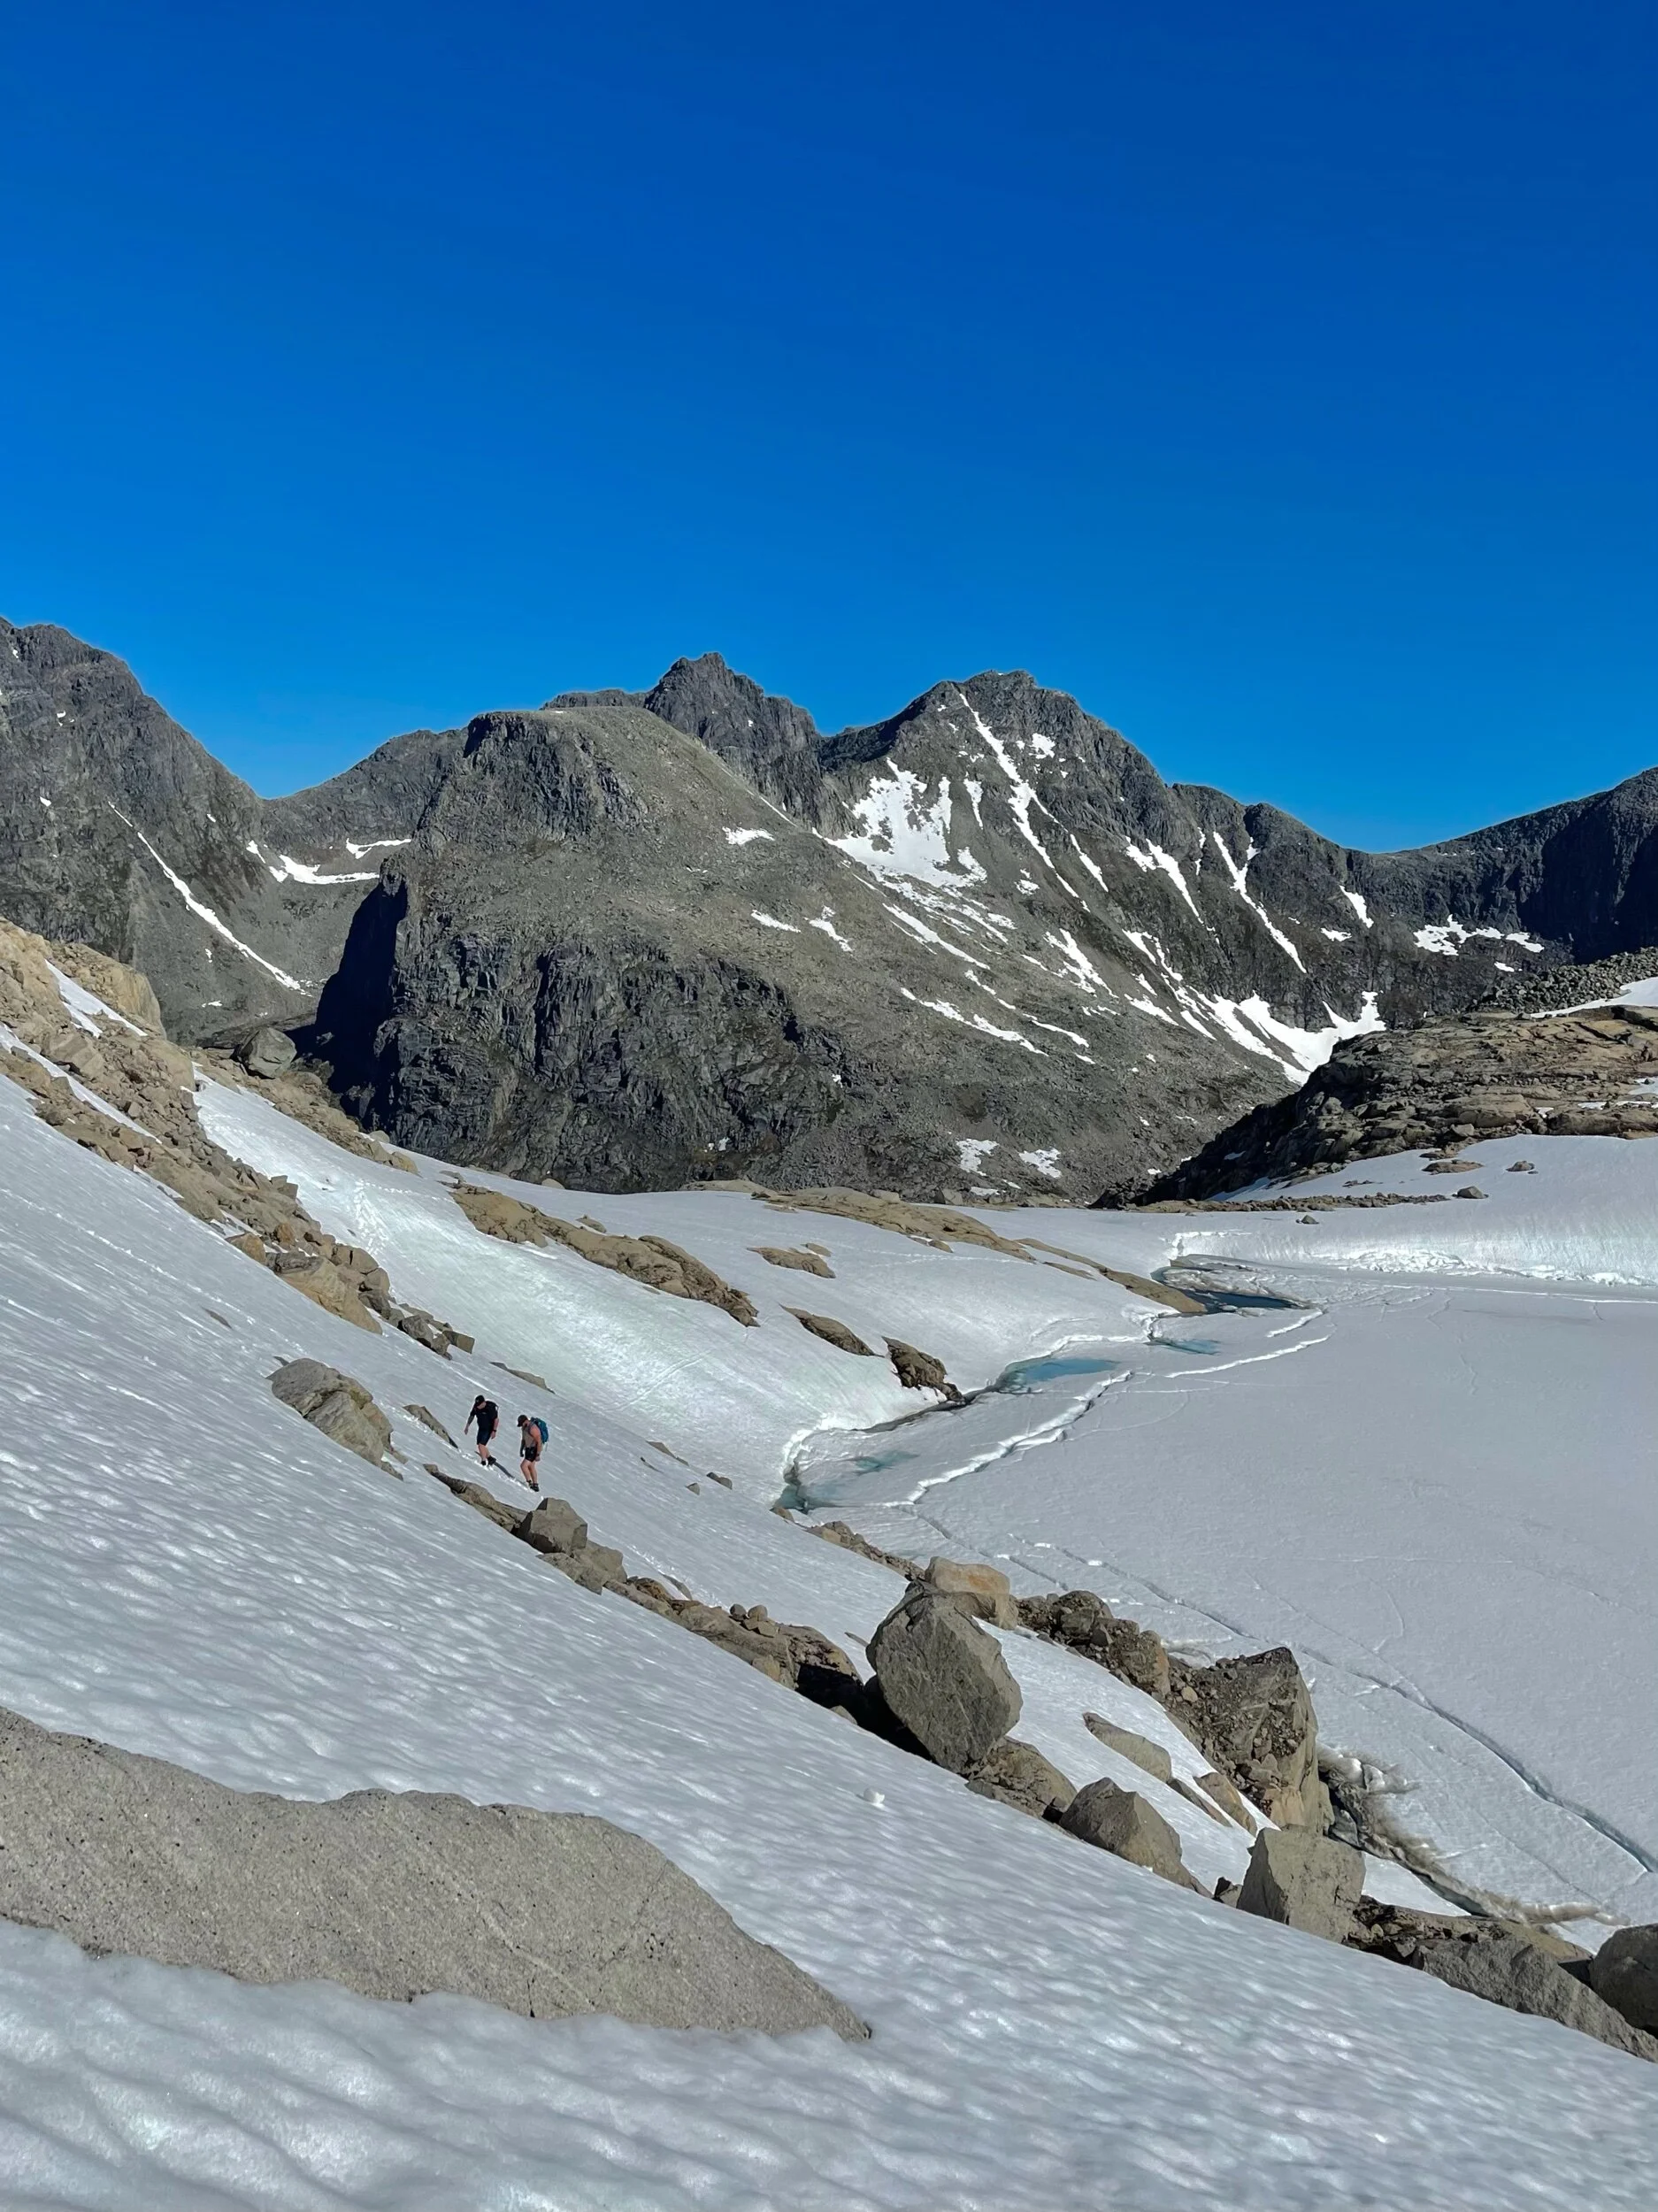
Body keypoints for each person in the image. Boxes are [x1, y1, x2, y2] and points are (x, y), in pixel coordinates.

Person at [465, 1394, 499, 1466]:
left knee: (481, 1445)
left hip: (489, 1428)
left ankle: (483, 1461)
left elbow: (496, 1419)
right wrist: (467, 1426)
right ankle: (490, 1458)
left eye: (480, 1404)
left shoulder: (490, 1408)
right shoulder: (476, 1407)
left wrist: (494, 1431)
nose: (478, 1406)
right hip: (481, 1427)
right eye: (477, 1404)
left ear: (483, 1402)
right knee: (480, 1445)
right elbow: (472, 1415)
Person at [517, 1411, 544, 1493]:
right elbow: (523, 1439)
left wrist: (538, 1454)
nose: (521, 1426)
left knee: (523, 1466)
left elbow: (539, 1442)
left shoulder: (533, 1428)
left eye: (521, 1424)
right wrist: (521, 1449)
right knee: (531, 1466)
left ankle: (530, 1483)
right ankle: (535, 1484)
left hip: (534, 1449)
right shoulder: (524, 1428)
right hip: (528, 1449)